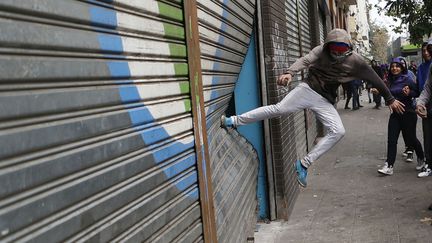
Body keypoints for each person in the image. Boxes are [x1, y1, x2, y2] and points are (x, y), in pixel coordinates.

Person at [220, 28, 404, 187]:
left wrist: (390, 99)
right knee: (278, 109)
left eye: (342, 48)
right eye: (334, 48)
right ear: (328, 46)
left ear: (349, 48)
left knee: (338, 131)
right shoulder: (320, 51)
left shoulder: (357, 61)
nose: (338, 52)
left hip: (325, 100)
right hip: (308, 89)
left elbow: (376, 79)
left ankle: (303, 164)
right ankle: (233, 120)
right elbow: (305, 60)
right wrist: (289, 73)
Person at [377, 58, 424, 175]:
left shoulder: (407, 79)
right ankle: (389, 165)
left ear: (402, 67)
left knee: (411, 139)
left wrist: (410, 93)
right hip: (395, 115)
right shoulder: (389, 81)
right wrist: (377, 91)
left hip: (408, 113)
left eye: (397, 66)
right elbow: (387, 93)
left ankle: (421, 158)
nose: (394, 68)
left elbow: (417, 92)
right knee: (391, 140)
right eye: (392, 66)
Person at [416, 40, 432, 178]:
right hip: (428, 108)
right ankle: (429, 164)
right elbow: (427, 87)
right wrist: (420, 103)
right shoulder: (427, 68)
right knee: (428, 137)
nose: (427, 53)